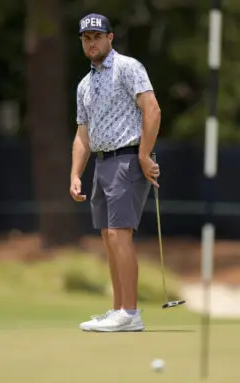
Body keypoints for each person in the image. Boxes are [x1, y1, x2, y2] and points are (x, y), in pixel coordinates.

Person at [69, 13, 162, 332]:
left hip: (127, 160)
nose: (91, 42)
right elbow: (83, 134)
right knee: (108, 237)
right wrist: (75, 173)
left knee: (120, 235)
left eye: (96, 36)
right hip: (102, 163)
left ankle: (131, 313)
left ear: (110, 38)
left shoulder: (128, 67)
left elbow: (152, 109)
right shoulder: (85, 85)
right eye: (86, 38)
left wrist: (144, 154)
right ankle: (118, 309)